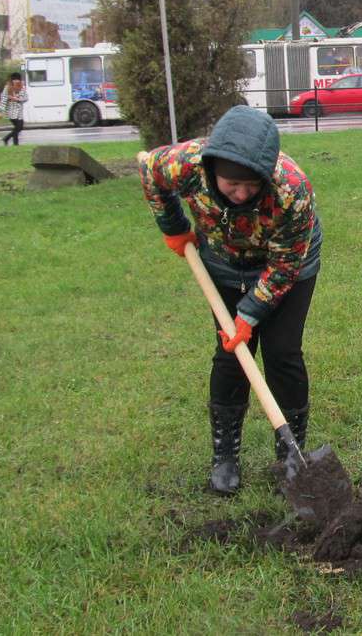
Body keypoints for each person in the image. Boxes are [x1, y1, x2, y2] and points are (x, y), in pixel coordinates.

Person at [138, 105, 322, 495]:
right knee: (229, 356)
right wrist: (174, 228)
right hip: (221, 265)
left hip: (284, 265)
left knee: (283, 351)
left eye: (250, 186)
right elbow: (150, 172)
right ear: (211, 170)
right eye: (230, 184)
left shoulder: (292, 189)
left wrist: (251, 312)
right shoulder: (186, 165)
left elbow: (286, 263)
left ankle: (292, 457)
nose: (240, 193)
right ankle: (225, 457)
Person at [0, 73, 27, 145]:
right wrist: (0, 111)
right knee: (18, 127)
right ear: (12, 80)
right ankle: (10, 140)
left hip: (19, 112)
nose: (16, 81)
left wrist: (17, 99)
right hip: (11, 111)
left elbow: (26, 98)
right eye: (14, 80)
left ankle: (10, 141)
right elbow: (3, 99)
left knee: (18, 128)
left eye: (17, 80)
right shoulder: (7, 88)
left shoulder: (22, 87)